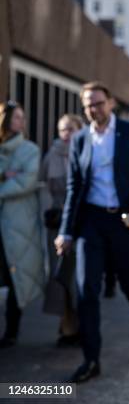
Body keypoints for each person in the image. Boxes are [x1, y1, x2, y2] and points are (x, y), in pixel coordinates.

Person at [55, 81, 129, 383]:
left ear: (111, 102)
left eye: (98, 103)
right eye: (87, 105)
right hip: (91, 222)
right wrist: (66, 232)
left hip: (125, 221)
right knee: (87, 291)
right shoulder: (81, 139)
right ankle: (91, 359)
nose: (93, 110)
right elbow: (74, 188)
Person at [0, 101, 45, 348]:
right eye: (17, 117)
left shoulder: (29, 149)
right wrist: (6, 175)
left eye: (23, 117)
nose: (22, 122)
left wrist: (8, 178)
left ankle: (11, 331)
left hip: (18, 224)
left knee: (15, 273)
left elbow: (26, 181)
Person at [40, 114, 83, 347]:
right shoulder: (51, 155)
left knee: (77, 276)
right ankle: (66, 325)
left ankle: (80, 324)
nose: (66, 134)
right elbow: (42, 187)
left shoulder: (86, 152)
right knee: (58, 276)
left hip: (79, 222)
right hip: (56, 223)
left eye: (70, 129)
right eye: (62, 130)